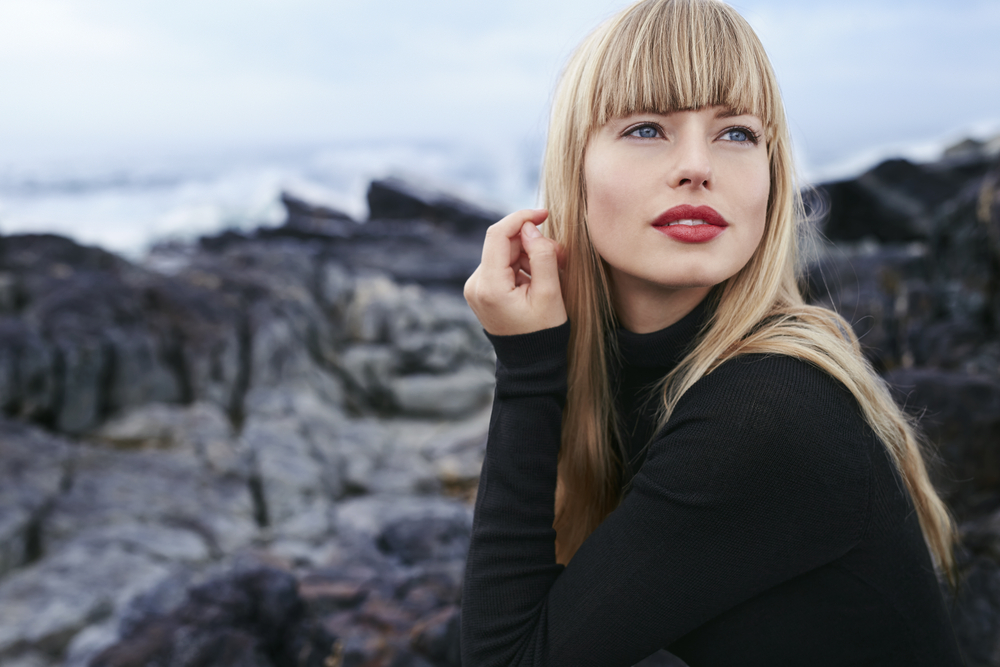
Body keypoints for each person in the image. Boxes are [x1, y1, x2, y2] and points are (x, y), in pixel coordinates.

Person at [459, 0, 965, 665]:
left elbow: (508, 657)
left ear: (772, 176)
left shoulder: (767, 409)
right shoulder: (633, 375)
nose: (697, 166)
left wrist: (526, 366)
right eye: (646, 128)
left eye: (735, 134)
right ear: (573, 171)